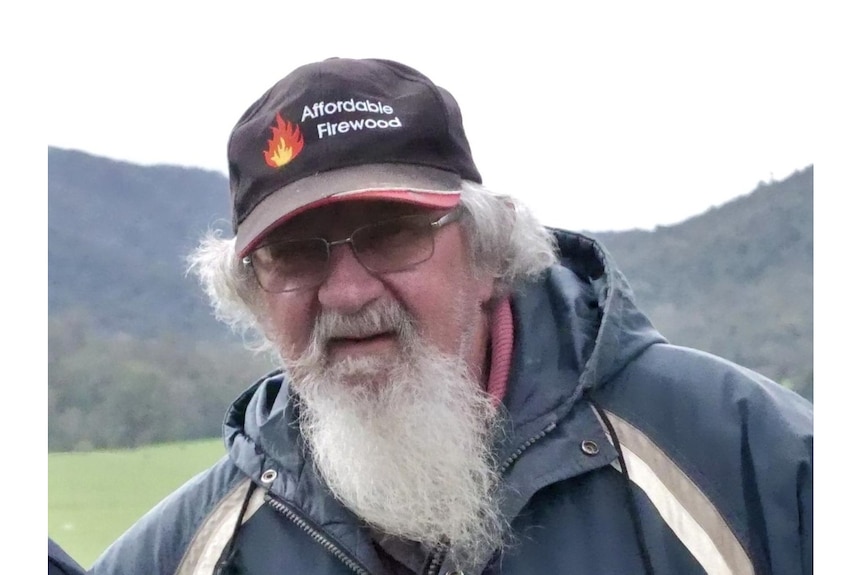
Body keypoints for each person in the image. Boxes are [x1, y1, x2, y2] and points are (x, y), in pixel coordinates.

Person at [91, 57, 813, 575]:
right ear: (250, 295)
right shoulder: (191, 549)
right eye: (295, 255)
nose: (346, 293)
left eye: (391, 234)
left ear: (488, 255)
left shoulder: (758, 464)